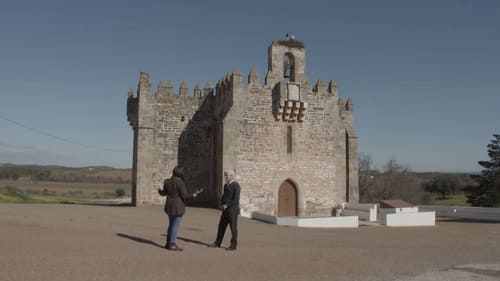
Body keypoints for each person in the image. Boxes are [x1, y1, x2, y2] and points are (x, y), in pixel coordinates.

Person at [158, 166, 203, 251]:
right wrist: (194, 194)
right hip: (178, 207)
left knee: (171, 225)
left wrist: (159, 191)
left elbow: (163, 193)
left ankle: (168, 243)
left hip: (169, 206)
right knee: (175, 226)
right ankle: (172, 244)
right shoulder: (180, 183)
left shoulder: (166, 181)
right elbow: (185, 197)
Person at [209, 169, 240, 251]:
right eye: (225, 175)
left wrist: (227, 205)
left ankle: (233, 246)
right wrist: (221, 204)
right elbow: (224, 196)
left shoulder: (236, 185)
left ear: (232, 176)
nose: (225, 177)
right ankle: (217, 242)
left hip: (233, 210)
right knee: (221, 226)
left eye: (226, 175)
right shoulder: (226, 185)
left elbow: (236, 199)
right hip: (225, 210)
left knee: (233, 228)